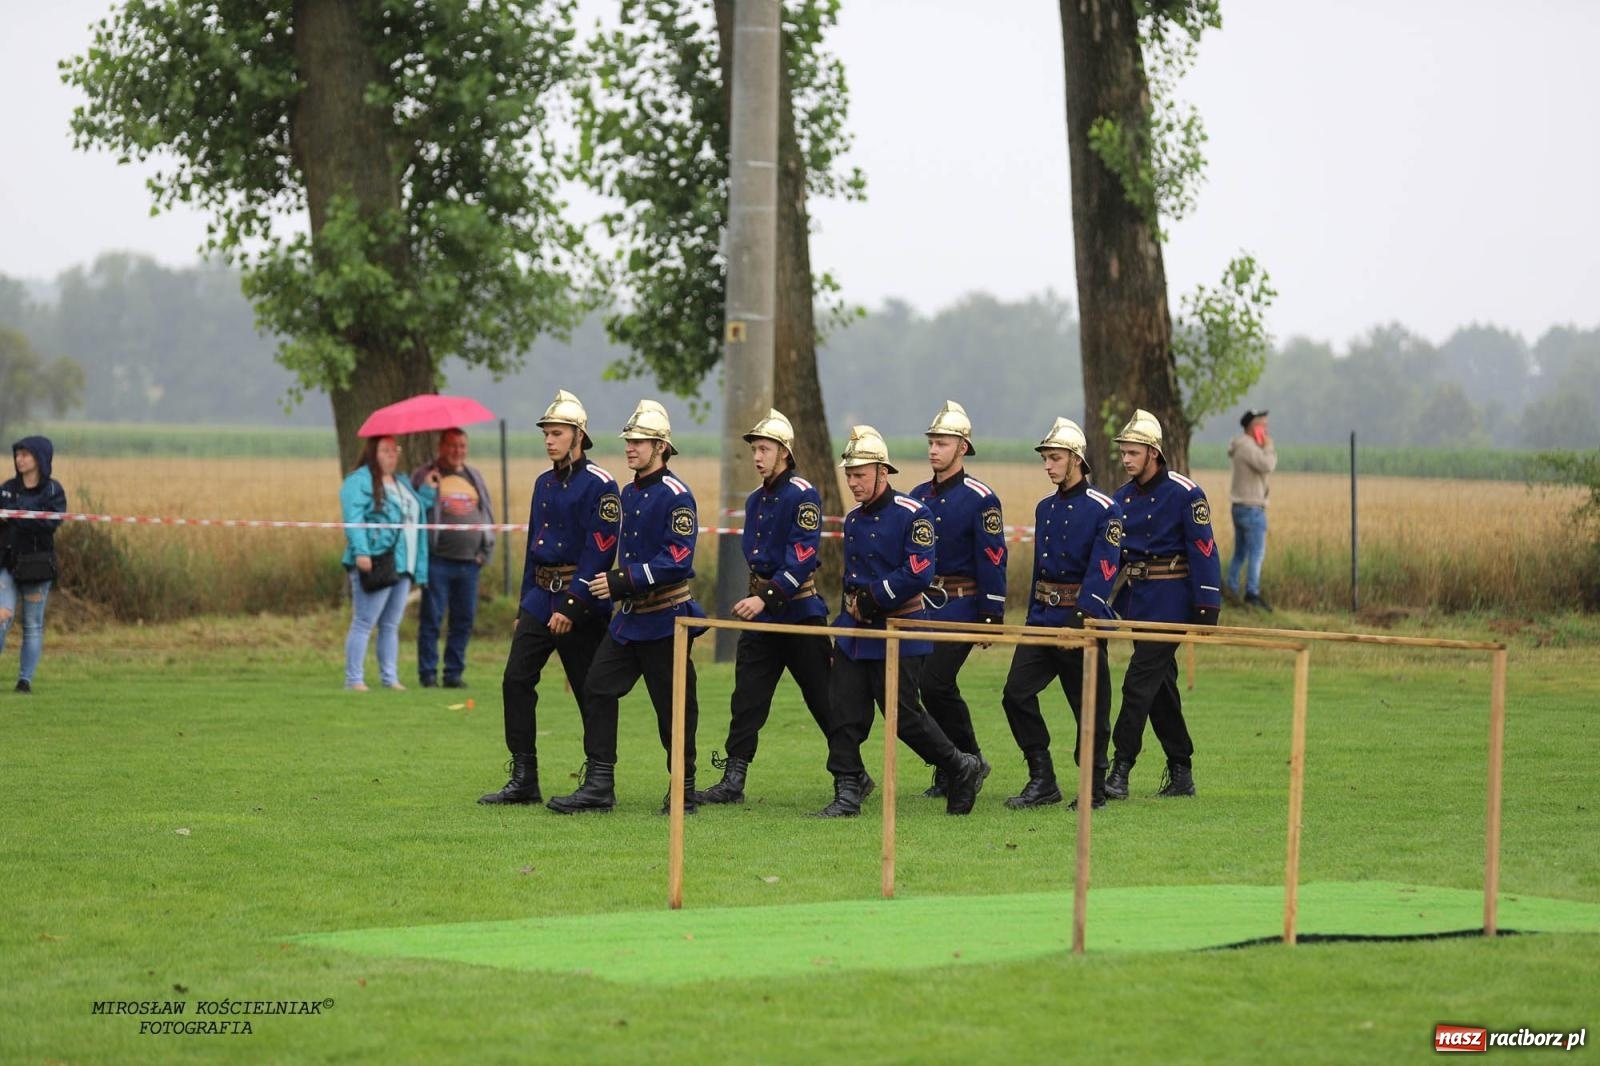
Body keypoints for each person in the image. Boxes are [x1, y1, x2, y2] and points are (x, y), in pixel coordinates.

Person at [548, 400, 708, 815]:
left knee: (673, 708)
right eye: (628, 442)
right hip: (630, 621)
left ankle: (684, 789)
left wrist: (622, 580)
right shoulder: (628, 492)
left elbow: (678, 560)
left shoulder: (677, 495)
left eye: (639, 442)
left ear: (660, 446)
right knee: (597, 686)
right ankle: (599, 784)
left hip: (667, 620)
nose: (630, 449)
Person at [816, 426, 984, 818]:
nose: (853, 482)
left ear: (882, 472)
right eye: (849, 475)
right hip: (856, 633)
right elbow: (850, 576)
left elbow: (920, 570)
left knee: (903, 717)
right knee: (843, 711)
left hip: (900, 631)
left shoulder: (914, 514)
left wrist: (874, 598)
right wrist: (847, 622)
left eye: (860, 474)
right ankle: (846, 791)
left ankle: (960, 766)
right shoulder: (854, 519)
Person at [479, 391, 619, 806]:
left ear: (578, 435)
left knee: (591, 690)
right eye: (546, 434)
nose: (548, 441)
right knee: (515, 680)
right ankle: (524, 777)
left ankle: (600, 782)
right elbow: (532, 547)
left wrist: (572, 607)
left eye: (556, 433)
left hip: (581, 600)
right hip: (541, 597)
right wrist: (526, 606)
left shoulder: (602, 486)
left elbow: (601, 551)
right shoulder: (543, 483)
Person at [696, 410, 838, 805]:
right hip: (763, 615)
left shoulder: (803, 494)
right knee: (747, 698)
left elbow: (803, 558)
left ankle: (852, 774)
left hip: (799, 612)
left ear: (784, 453)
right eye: (755, 449)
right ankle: (733, 780)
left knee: (823, 699)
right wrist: (759, 599)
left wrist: (765, 597)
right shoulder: (756, 499)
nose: (757, 456)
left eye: (765, 449)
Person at [999, 418, 1122, 809]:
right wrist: (1034, 613)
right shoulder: (1044, 508)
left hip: (1081, 623)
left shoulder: (1106, 509)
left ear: (1075, 459)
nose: (1048, 466)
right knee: (1015, 695)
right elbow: (1040, 567)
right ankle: (1043, 779)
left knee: (1090, 708)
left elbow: (1105, 567)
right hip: (1042, 621)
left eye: (1054, 458)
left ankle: (1093, 788)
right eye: (1045, 460)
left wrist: (1083, 618)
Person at [1103, 409, 1222, 800]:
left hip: (1173, 603)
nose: (1125, 459)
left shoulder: (1187, 494)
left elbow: (1204, 549)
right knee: (1159, 686)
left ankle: (1120, 768)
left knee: (1138, 682)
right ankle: (1181, 769)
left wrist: (1207, 606)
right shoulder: (1120, 499)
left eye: (1132, 452)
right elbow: (1112, 555)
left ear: (1153, 453)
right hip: (1138, 602)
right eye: (1123, 452)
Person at [909, 400, 1007, 797]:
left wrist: (991, 614)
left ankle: (969, 758)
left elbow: (994, 557)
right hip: (923, 605)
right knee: (924, 688)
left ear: (962, 447)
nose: (934, 450)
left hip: (962, 603)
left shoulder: (981, 498)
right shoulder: (917, 495)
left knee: (936, 684)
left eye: (942, 443)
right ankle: (952, 767)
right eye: (931, 442)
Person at [340, 435, 437, 692]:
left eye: (395, 451)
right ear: (373, 453)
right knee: (364, 621)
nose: (391, 455)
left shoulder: (402, 483)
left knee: (391, 624)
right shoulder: (358, 482)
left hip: (404, 562)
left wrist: (427, 490)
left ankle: (389, 677)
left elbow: (414, 512)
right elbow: (354, 518)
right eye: (385, 450)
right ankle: (354, 679)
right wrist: (362, 552)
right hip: (375, 560)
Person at [412, 427, 496, 688]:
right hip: (438, 561)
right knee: (432, 619)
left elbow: (487, 513)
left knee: (463, 620)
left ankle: (453, 673)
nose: (457, 450)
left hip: (470, 563)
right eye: (452, 445)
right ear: (441, 447)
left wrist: (485, 552)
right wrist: (427, 489)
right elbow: (413, 509)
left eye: (462, 445)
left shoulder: (474, 477)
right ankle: (427, 674)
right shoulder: (426, 475)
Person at [0, 436, 68, 694]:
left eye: (26, 454)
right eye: (17, 454)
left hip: (37, 566)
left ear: (40, 458)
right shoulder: (5, 488)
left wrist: (17, 517)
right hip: (6, 563)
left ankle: (24, 681)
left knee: (32, 625)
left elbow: (51, 523)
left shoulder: (54, 491)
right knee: (2, 617)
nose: (20, 459)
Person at [1228, 408, 1277, 611]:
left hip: (1240, 507)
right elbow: (1268, 465)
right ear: (1252, 427)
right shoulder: (1249, 447)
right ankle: (1252, 593)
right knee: (1257, 553)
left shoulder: (1241, 445)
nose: (1266, 430)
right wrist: (1268, 447)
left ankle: (1230, 590)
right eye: (1262, 425)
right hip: (1252, 509)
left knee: (1240, 553)